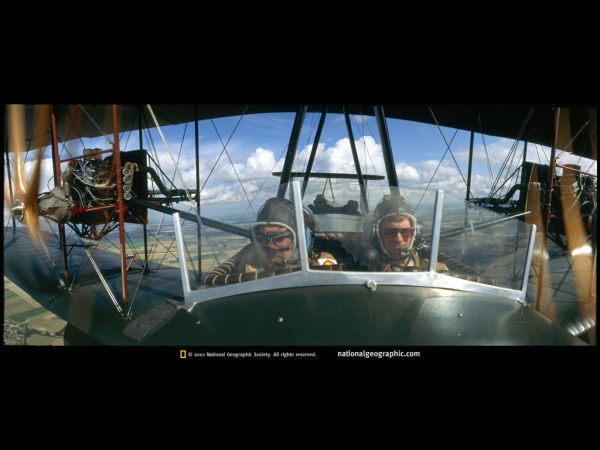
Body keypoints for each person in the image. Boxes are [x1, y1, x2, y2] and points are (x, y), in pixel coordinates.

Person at [202, 197, 341, 285]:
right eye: (262, 238)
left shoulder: (321, 264)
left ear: (299, 241)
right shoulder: (248, 265)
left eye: (279, 238)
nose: (269, 245)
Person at [355, 194, 448, 272]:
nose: (398, 239)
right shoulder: (363, 269)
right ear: (377, 234)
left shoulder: (436, 270)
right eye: (390, 232)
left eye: (405, 232)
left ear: (414, 233)